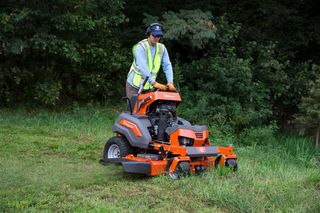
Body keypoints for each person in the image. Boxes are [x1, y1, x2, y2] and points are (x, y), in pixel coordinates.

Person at [126, 23, 176, 99]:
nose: (156, 38)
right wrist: (153, 82)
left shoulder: (162, 48)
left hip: (149, 86)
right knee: (134, 110)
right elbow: (143, 67)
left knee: (149, 110)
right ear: (148, 34)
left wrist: (170, 82)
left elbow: (167, 65)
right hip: (134, 86)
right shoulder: (141, 47)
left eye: (158, 36)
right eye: (154, 35)